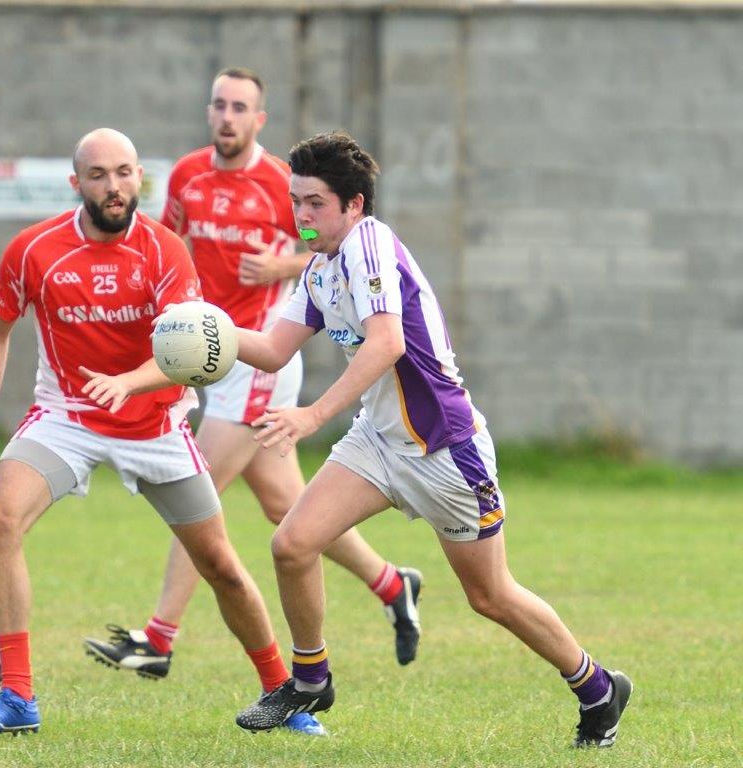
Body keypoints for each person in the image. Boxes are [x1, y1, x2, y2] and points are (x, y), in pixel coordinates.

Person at [229, 131, 633, 748]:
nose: (301, 216)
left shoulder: (370, 244)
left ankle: (598, 689)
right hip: (379, 442)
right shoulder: (319, 269)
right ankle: (310, 679)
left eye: (314, 203)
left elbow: (386, 342)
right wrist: (197, 328)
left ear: (353, 205)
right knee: (292, 544)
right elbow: (270, 348)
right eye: (296, 201)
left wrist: (311, 416)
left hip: (445, 449)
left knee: (490, 596)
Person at [0, 128, 312, 737]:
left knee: (221, 565)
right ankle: (17, 696)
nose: (113, 185)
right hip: (68, 414)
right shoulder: (33, 249)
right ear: (77, 184)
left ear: (139, 179)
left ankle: (282, 693)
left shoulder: (166, 250)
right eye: (98, 174)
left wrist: (128, 382)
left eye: (124, 172)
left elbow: (189, 346)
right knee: (0, 520)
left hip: (157, 423)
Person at [83, 68, 422, 698]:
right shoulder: (187, 174)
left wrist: (282, 262)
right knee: (286, 510)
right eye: (219, 104)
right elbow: (169, 243)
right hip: (211, 350)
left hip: (264, 354)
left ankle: (158, 640)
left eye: (241, 107)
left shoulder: (282, 183)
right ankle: (393, 585)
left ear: (259, 119)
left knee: (198, 486)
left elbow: (328, 245)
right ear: (208, 112)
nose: (228, 116)